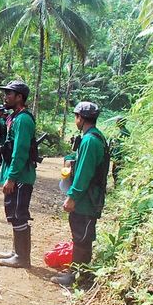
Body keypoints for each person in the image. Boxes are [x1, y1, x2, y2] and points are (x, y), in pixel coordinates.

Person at [52, 102, 110, 287]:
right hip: (89, 196)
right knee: (81, 235)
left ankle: (78, 277)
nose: (75, 119)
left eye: (76, 116)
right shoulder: (94, 137)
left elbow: (85, 173)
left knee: (81, 237)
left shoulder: (90, 141)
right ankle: (79, 273)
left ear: (81, 118)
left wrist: (72, 197)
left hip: (86, 199)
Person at [0, 80, 36, 269]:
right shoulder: (16, 117)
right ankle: (16, 252)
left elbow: (20, 151)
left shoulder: (23, 120)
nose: (6, 97)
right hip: (16, 175)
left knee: (19, 214)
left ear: (19, 97)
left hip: (20, 177)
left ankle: (22, 257)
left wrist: (11, 177)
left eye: (9, 94)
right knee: (13, 213)